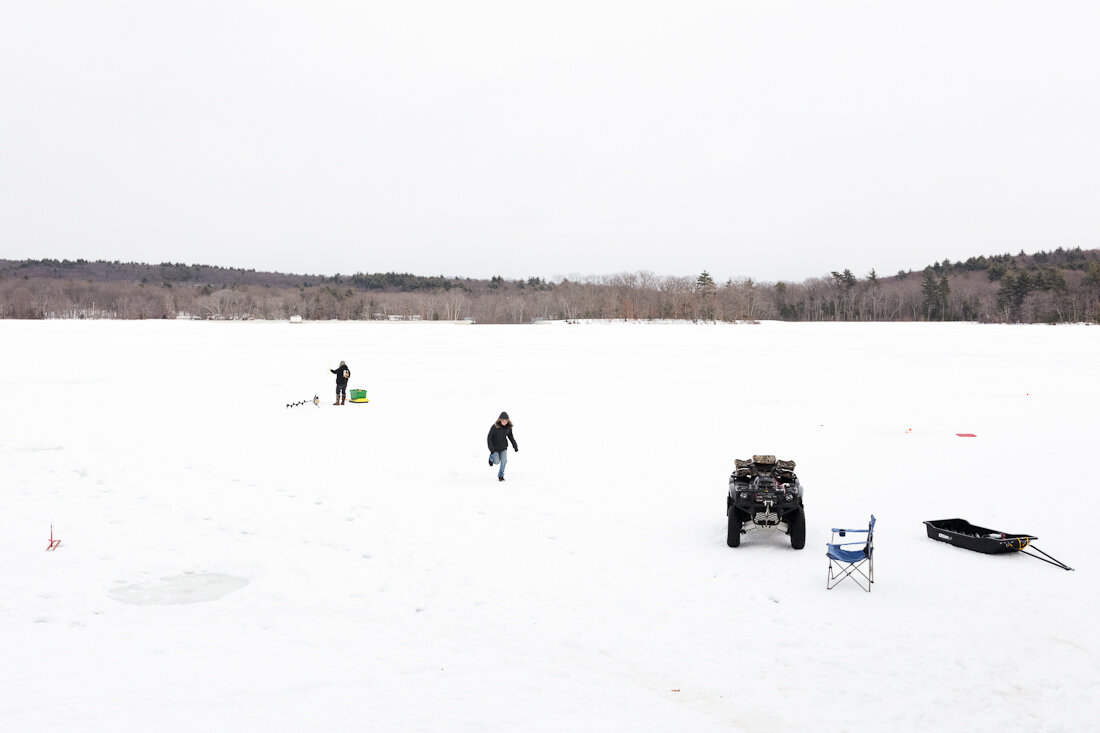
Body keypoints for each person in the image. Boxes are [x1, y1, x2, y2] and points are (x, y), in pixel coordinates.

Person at [487, 411, 518, 482]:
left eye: (506, 421)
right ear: (500, 420)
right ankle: (491, 458)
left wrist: (515, 445)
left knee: (504, 461)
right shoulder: (494, 427)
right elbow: (489, 438)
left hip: (503, 447)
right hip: (495, 449)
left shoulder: (508, 428)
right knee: (497, 462)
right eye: (503, 421)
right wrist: (491, 450)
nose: (505, 422)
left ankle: (501, 475)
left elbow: (511, 437)